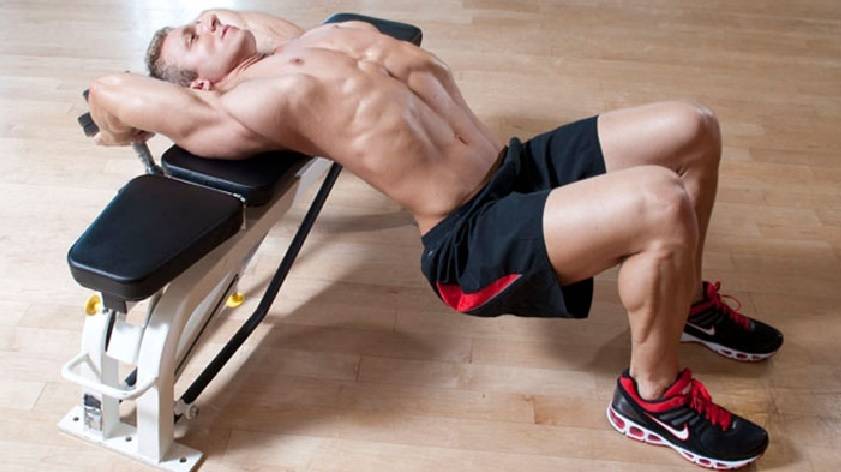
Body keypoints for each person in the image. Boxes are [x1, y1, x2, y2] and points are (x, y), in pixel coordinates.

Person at [88, 9, 783, 468]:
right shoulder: (241, 106)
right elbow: (111, 92)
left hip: (515, 167)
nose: (208, 20)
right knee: (659, 200)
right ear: (201, 83)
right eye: (190, 36)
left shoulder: (308, 41)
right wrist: (118, 121)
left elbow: (246, 24)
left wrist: (215, 32)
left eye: (201, 18)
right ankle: (652, 397)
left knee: (691, 127)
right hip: (469, 236)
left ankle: (684, 300)